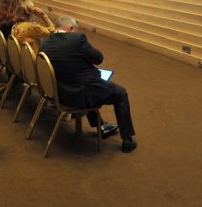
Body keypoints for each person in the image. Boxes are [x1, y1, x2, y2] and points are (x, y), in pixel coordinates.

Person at [40, 16, 138, 153]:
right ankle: (127, 140)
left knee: (87, 85)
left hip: (59, 93)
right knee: (121, 94)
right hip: (80, 94)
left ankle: (101, 126)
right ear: (70, 28)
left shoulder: (44, 43)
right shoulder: (77, 39)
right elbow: (98, 58)